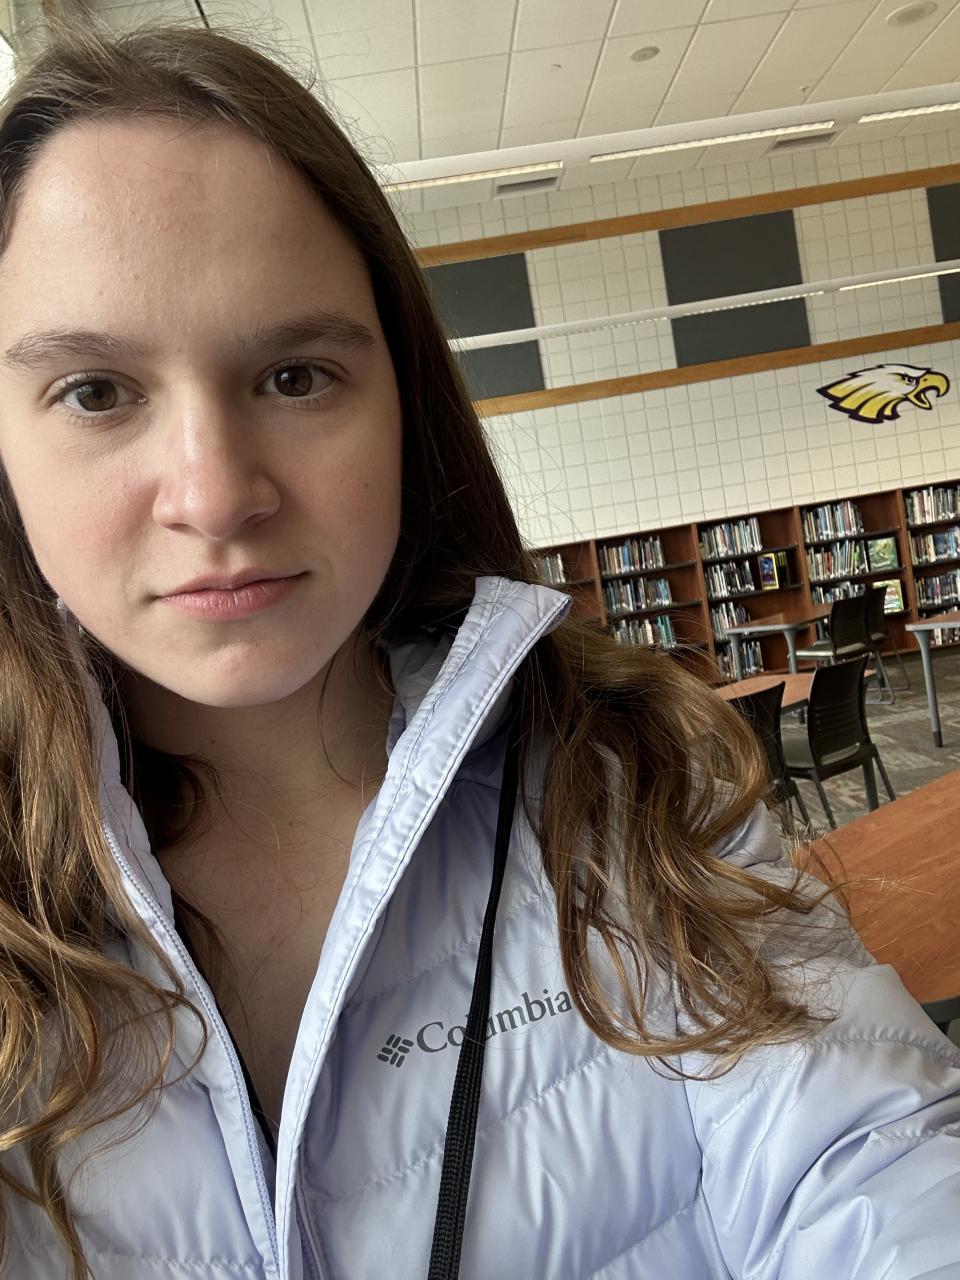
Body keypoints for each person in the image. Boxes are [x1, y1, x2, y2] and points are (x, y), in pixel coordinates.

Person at [0, 15, 956, 1280]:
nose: (215, 494)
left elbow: (870, 1153)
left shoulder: (626, 779)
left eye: (295, 376)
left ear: (404, 400)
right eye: (96, 392)